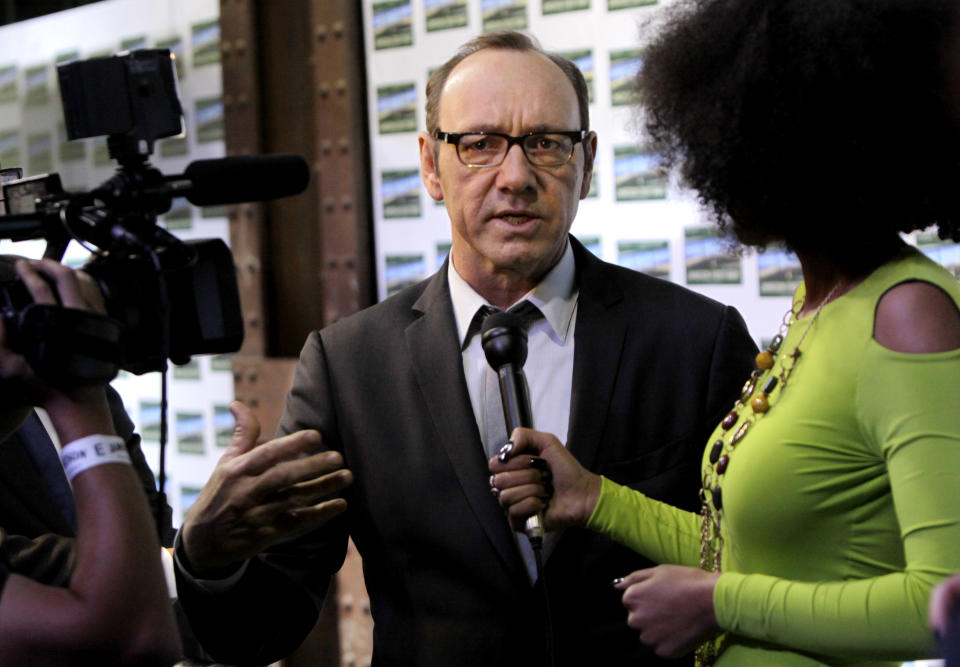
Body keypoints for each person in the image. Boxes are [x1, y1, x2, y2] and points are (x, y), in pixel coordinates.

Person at [173, 31, 757, 666]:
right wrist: (205, 557)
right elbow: (263, 630)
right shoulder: (348, 367)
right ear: (430, 165)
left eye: (546, 143)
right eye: (480, 145)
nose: (516, 177)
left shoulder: (696, 340)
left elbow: (768, 564)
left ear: (586, 161)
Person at [491, 1, 960, 665]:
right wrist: (595, 497)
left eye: (749, 134)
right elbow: (743, 551)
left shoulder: (910, 314)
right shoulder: (818, 302)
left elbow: (941, 604)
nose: (714, 164)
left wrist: (720, 603)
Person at [0, 257, 180, 665]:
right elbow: (137, 636)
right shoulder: (83, 394)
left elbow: (153, 530)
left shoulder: (78, 375)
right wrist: (80, 404)